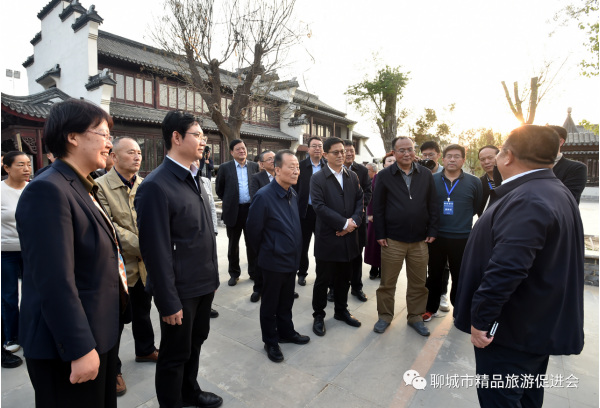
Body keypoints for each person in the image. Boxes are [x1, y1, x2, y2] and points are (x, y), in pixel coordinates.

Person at [454, 125, 584, 408]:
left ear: (508, 156)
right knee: (526, 396)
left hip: (511, 330)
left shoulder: (528, 198)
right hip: (532, 324)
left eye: (500, 150)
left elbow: (508, 268)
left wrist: (482, 319)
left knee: (501, 398)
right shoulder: (549, 189)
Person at [16, 99, 128, 408]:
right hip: (66, 347)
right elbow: (54, 281)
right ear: (73, 137)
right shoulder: (48, 190)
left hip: (98, 330)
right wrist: (79, 348)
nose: (109, 144)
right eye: (103, 134)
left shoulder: (82, 185)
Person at [135, 111, 222, 408]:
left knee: (195, 343)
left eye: (203, 136)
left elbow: (202, 232)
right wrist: (168, 300)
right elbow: (155, 251)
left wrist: (212, 278)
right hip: (180, 289)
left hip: (202, 282)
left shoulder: (195, 177)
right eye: (197, 135)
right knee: (174, 354)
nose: (203, 141)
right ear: (176, 137)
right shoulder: (156, 185)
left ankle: (190, 392)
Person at [96, 137, 158, 397]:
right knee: (115, 321)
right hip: (117, 268)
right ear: (114, 156)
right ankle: (113, 369)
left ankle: (145, 349)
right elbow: (109, 226)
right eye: (131, 152)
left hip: (143, 267)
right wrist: (146, 246)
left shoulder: (146, 185)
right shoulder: (100, 187)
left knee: (143, 311)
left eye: (139, 152)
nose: (137, 157)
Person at [247, 150, 310, 362]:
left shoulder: (292, 193)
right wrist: (270, 250)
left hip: (291, 260)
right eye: (291, 167)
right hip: (273, 261)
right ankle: (270, 341)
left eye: (298, 167)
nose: (296, 171)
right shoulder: (264, 196)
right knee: (270, 304)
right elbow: (253, 232)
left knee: (286, 301)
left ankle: (286, 332)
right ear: (277, 170)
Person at [373, 137, 439, 336]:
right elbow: (378, 207)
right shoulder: (384, 175)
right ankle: (385, 316)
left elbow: (433, 203)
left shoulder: (425, 174)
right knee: (387, 283)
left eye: (410, 149)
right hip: (392, 239)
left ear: (414, 151)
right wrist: (380, 233)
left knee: (419, 283)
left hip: (420, 239)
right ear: (394, 153)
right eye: (401, 150)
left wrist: (432, 230)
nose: (407, 153)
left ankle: (415, 317)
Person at [311, 137, 364, 337]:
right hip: (328, 237)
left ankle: (341, 311)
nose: (342, 155)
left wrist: (352, 224)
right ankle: (318, 315)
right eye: (336, 152)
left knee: (344, 278)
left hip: (349, 238)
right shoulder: (317, 178)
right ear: (325, 155)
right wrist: (343, 223)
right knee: (323, 280)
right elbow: (319, 207)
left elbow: (360, 201)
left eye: (343, 151)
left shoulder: (352, 176)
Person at [423, 144, 482, 322]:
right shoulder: (431, 179)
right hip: (436, 236)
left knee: (460, 276)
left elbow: (477, 207)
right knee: (434, 275)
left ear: (463, 160)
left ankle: (460, 310)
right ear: (442, 159)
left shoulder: (474, 182)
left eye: (457, 156)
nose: (452, 159)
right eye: (449, 156)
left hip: (462, 237)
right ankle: (430, 308)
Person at [327, 140, 371, 303]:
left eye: (351, 150)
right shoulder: (328, 173)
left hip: (357, 221)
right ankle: (333, 288)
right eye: (345, 150)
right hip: (337, 223)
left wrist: (353, 218)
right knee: (335, 257)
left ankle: (357, 287)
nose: (349, 153)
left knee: (356, 256)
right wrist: (343, 221)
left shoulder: (362, 171)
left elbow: (367, 194)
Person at [215, 139, 260, 286]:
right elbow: (219, 189)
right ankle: (234, 274)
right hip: (233, 211)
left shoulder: (254, 166)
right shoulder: (225, 167)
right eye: (238, 149)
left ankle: (254, 272)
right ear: (232, 152)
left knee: (252, 243)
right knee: (233, 245)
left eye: (243, 148)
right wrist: (230, 200)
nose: (242, 151)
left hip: (251, 210)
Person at [2, 151, 31, 354]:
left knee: (32, 294)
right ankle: (11, 335)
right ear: (7, 168)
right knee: (9, 295)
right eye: (20, 165)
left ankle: (29, 333)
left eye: (28, 164)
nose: (26, 169)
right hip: (6, 252)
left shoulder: (34, 189)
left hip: (31, 251)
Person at [293, 136, 327, 287]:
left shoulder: (328, 166)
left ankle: (322, 275)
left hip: (323, 213)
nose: (317, 148)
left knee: (322, 246)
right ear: (308, 149)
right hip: (305, 212)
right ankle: (302, 273)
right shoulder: (300, 166)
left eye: (320, 146)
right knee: (302, 245)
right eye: (314, 146)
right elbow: (293, 189)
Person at [365, 152, 396, 280]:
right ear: (384, 164)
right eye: (389, 161)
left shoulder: (401, 177)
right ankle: (374, 268)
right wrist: (370, 213)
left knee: (389, 244)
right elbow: (371, 195)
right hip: (377, 216)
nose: (392, 163)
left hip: (393, 217)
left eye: (394, 161)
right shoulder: (377, 177)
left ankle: (384, 269)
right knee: (375, 243)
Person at [549, 125, 588, 204]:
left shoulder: (577, 168)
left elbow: (566, 198)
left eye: (546, 138)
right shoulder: (529, 166)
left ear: (561, 142)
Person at [477, 145, 500, 217]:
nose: (486, 162)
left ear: (499, 157)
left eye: (490, 158)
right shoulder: (479, 183)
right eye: (482, 159)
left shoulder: (510, 180)